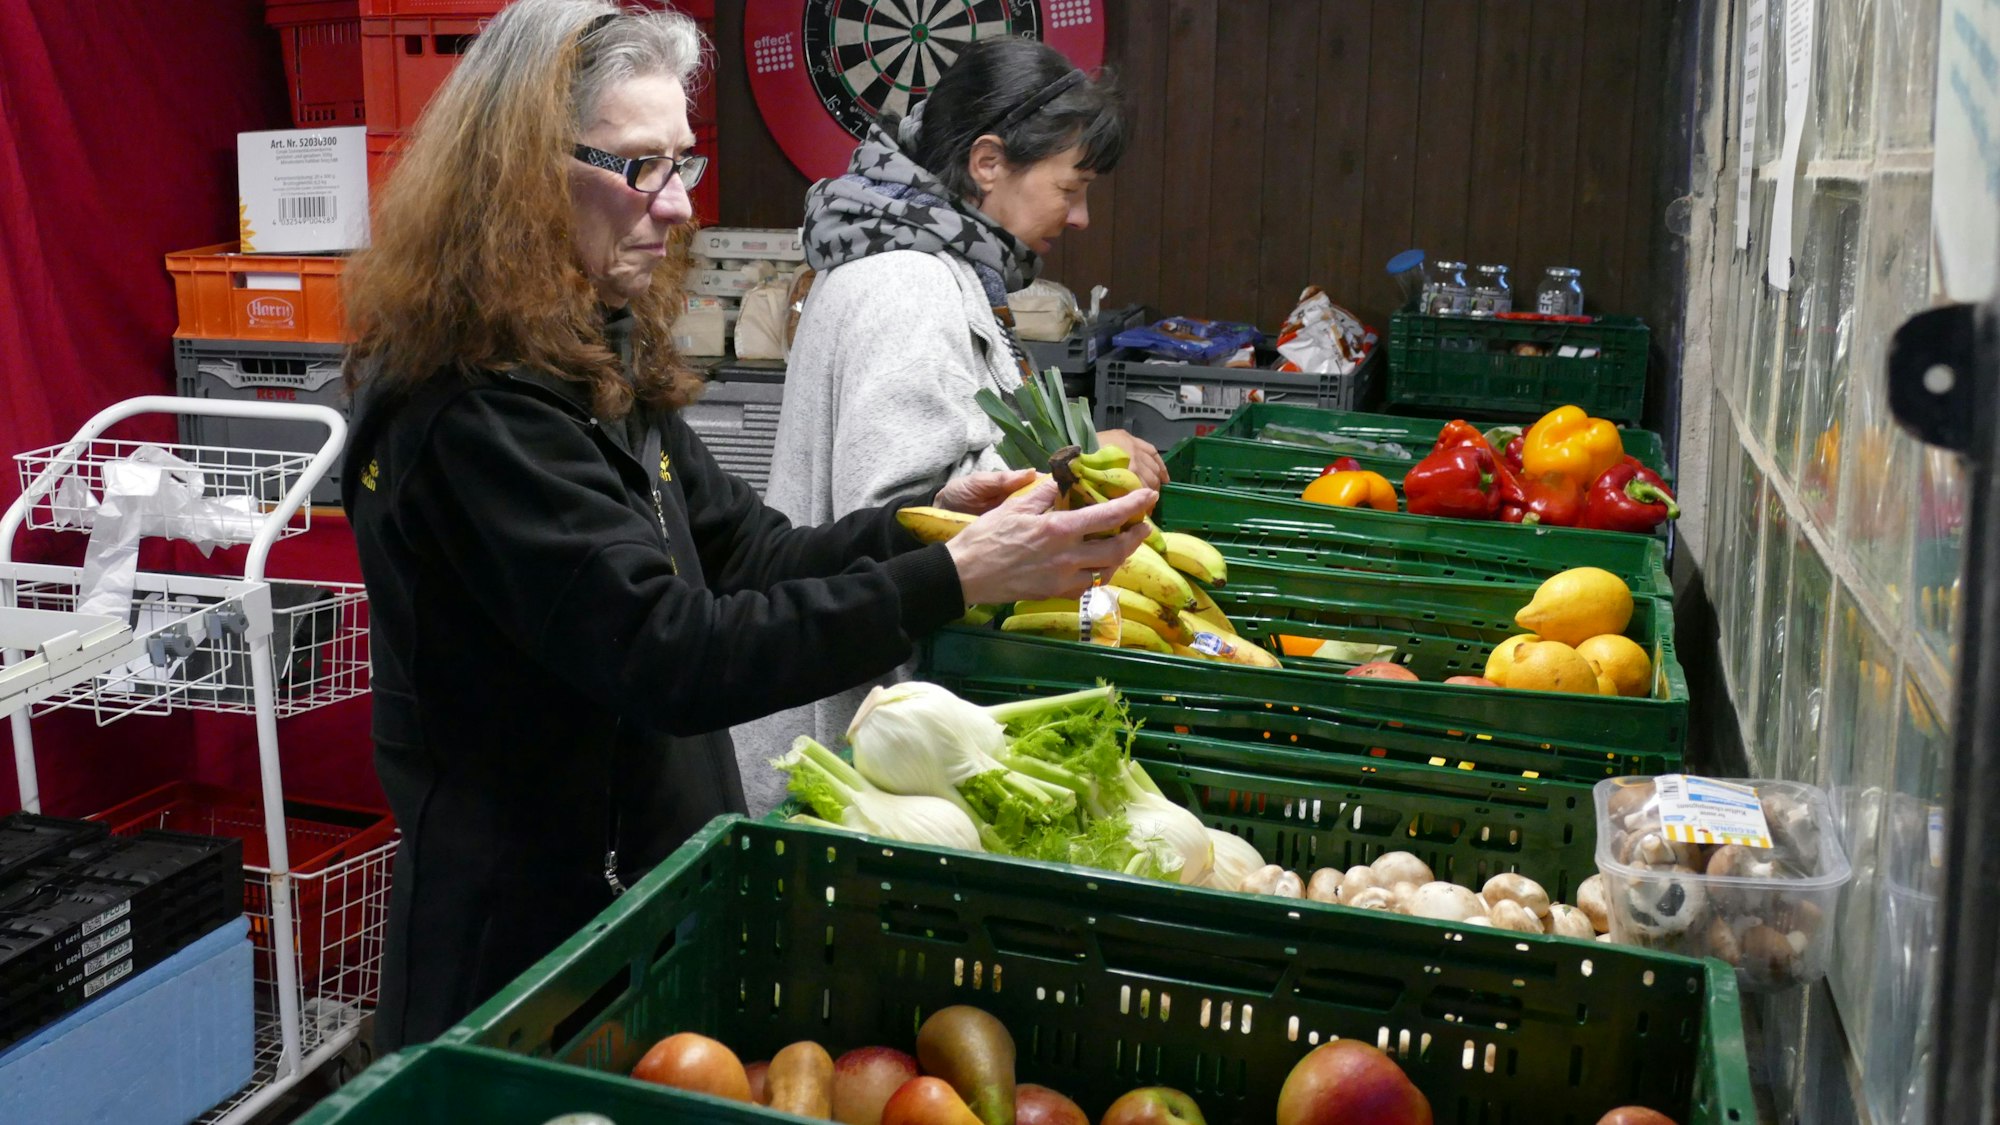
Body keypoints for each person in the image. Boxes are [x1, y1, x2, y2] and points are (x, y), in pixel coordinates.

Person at [337, 0, 1154, 1050]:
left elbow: (751, 553)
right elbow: (671, 654)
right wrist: (956, 580)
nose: (677, 206)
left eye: (680, 165)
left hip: (635, 903)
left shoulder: (594, 353)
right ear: (517, 179)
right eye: (640, 168)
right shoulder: (472, 411)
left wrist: (934, 527)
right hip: (520, 956)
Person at [739, 39, 1165, 813]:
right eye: (1071, 188)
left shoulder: (928, 257)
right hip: (857, 741)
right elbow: (907, 515)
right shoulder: (908, 282)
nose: (1080, 216)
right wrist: (1079, 464)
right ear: (989, 162)